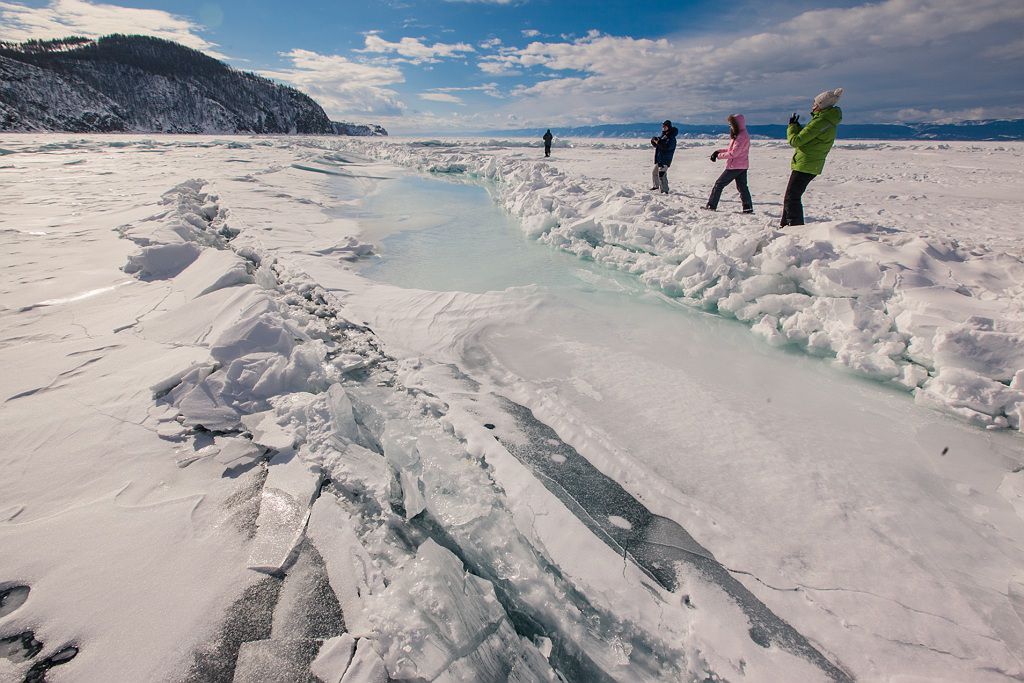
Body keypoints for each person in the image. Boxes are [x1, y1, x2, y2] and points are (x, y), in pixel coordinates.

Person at [781, 88, 843, 227]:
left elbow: (795, 141)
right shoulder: (825, 120)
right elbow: (807, 137)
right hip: (809, 162)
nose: (812, 106)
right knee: (790, 197)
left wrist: (791, 127)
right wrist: (797, 127)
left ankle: (794, 228)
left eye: (815, 103)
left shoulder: (820, 122)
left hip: (807, 162)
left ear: (821, 105)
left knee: (792, 198)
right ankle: (785, 226)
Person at [704, 113, 753, 213]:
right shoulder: (741, 135)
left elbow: (734, 153)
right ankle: (748, 208)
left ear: (737, 124)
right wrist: (718, 151)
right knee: (742, 187)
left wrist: (718, 156)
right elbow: (731, 149)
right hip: (742, 165)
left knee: (719, 184)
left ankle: (711, 205)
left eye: (731, 124)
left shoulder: (741, 136)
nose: (730, 126)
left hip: (735, 166)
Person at [649, 120, 678, 194]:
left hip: (665, 159)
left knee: (662, 174)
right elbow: (658, 146)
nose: (663, 128)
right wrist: (654, 141)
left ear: (668, 127)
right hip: (660, 159)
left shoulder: (671, 138)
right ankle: (656, 187)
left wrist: (658, 142)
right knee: (655, 173)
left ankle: (665, 191)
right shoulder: (663, 136)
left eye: (665, 126)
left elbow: (666, 147)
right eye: (663, 126)